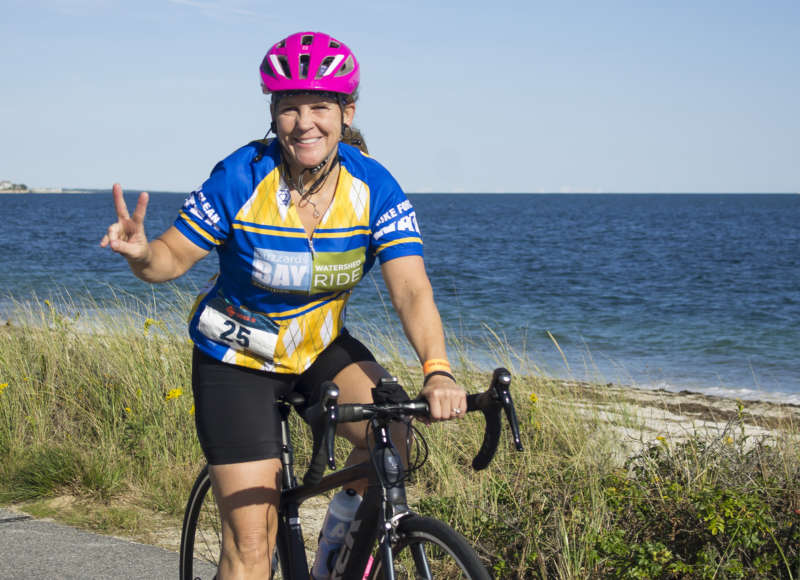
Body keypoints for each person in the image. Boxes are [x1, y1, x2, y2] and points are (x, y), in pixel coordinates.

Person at [100, 31, 465, 579]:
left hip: (315, 346)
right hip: (236, 358)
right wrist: (140, 253)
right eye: (290, 108)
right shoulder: (241, 177)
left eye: (320, 106)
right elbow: (170, 259)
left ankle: (336, 549)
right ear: (274, 113)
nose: (305, 122)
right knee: (251, 551)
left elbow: (411, 288)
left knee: (394, 441)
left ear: (346, 113)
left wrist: (437, 371)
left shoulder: (374, 188)